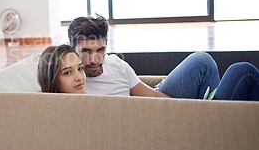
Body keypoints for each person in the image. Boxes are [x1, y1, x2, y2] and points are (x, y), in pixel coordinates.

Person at [67, 14, 259, 101]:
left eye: (100, 50)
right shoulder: (70, 81)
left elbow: (157, 98)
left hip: (160, 103)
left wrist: (190, 108)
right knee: (243, 72)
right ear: (72, 50)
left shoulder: (115, 63)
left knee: (203, 61)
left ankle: (212, 113)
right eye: (86, 51)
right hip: (150, 120)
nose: (95, 60)